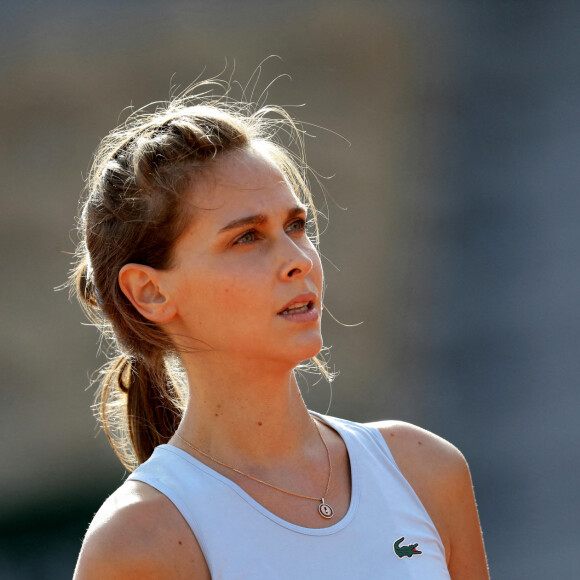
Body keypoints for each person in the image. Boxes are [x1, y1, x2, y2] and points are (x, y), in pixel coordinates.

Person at [70, 80, 489, 579]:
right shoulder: (139, 539)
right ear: (150, 292)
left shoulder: (424, 469)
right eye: (247, 237)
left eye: (296, 225)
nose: (297, 261)